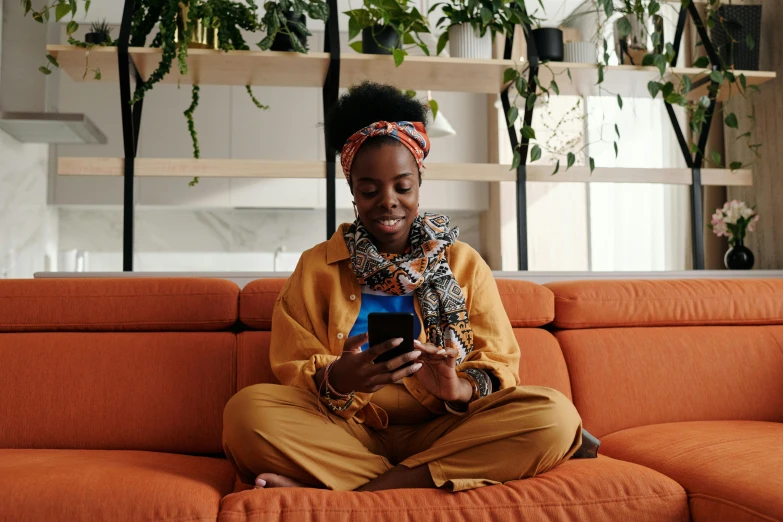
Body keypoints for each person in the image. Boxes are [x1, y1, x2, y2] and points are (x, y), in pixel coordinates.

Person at [222, 82, 582, 492]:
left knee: (555, 417)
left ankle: (358, 492)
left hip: (446, 428)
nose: (388, 201)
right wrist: (340, 378)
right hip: (347, 429)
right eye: (369, 190)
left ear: (419, 182)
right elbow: (292, 368)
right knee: (246, 415)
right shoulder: (315, 267)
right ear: (353, 192)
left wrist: (457, 387)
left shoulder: (463, 263)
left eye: (402, 186)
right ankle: (416, 481)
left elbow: (499, 363)